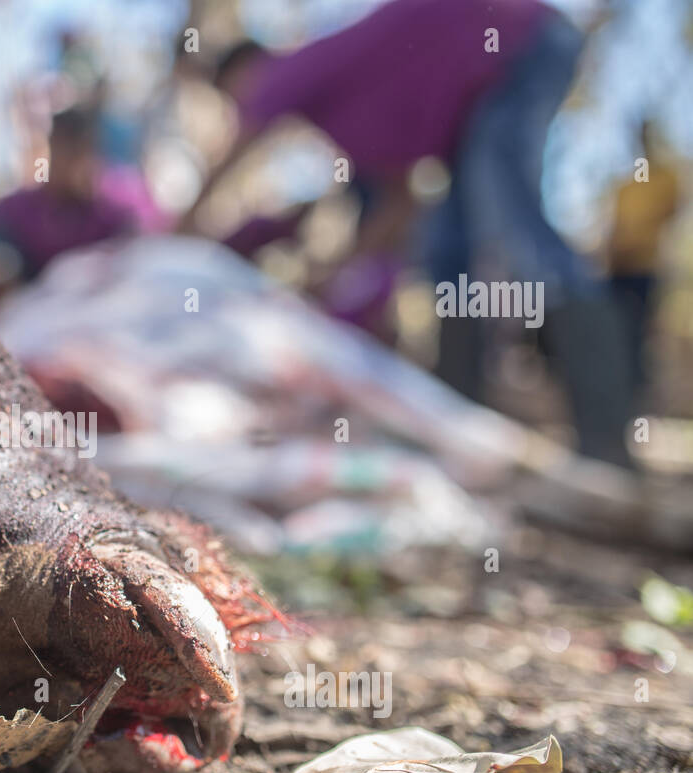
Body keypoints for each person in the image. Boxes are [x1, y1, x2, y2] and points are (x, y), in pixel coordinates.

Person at [190, 0, 634, 467]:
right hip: (476, 90)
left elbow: (232, 153)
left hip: (522, 42)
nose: (238, 106)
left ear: (247, 69)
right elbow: (403, 201)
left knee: (517, 227)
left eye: (231, 94)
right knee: (447, 254)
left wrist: (179, 234)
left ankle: (605, 439)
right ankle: (462, 428)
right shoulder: (362, 112)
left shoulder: (287, 70)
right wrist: (336, 272)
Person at [0, 108, 138, 312]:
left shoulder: (110, 215)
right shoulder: (21, 208)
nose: (69, 164)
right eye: (62, 151)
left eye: (78, 152)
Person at [606, 121, 682, 402]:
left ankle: (638, 395)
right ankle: (620, 391)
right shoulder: (625, 185)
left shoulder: (667, 177)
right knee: (618, 329)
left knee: (640, 329)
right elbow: (614, 227)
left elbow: (671, 213)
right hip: (618, 269)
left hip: (646, 267)